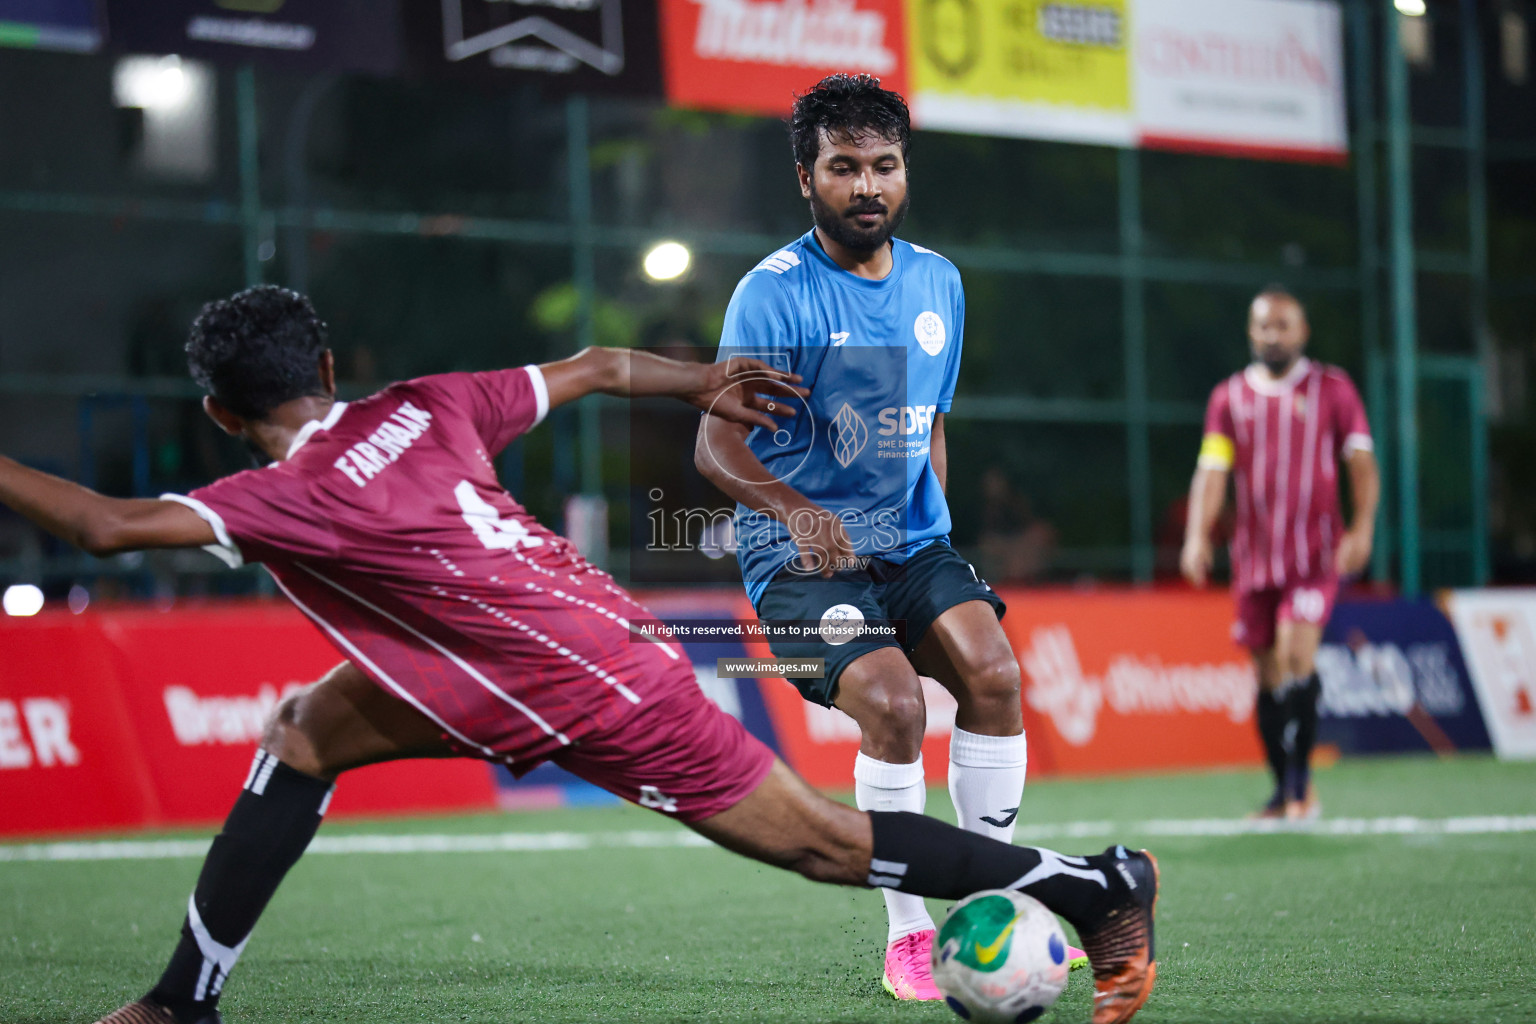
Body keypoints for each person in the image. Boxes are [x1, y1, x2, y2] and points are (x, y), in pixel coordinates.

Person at [0, 286, 1158, 1024]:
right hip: (521, 649)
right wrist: (702, 378)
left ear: (218, 412)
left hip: (591, 686)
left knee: (820, 844)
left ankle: (1098, 883)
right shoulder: (427, 401)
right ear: (334, 370)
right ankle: (182, 1001)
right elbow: (601, 364)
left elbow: (103, 525)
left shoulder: (279, 493)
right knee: (305, 729)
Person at [692, 74, 1081, 999]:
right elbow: (713, 442)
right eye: (844, 167)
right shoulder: (772, 293)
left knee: (993, 673)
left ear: (904, 170)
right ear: (806, 177)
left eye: (884, 166)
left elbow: (930, 424)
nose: (867, 185)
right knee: (898, 708)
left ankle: (989, 896)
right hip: (798, 559)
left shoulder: (938, 279)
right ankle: (909, 929)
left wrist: (932, 537)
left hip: (911, 543)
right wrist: (799, 515)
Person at [1180, 286, 1380, 820]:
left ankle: (1302, 786)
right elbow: (1213, 470)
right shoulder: (1229, 397)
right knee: (1267, 673)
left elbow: (1360, 464)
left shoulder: (1333, 389)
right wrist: (1197, 535)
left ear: (1302, 332)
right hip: (1254, 559)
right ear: (1252, 332)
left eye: (1283, 325)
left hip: (1315, 556)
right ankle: (1280, 789)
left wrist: (1362, 529)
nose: (1273, 335)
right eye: (1264, 326)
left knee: (1296, 654)